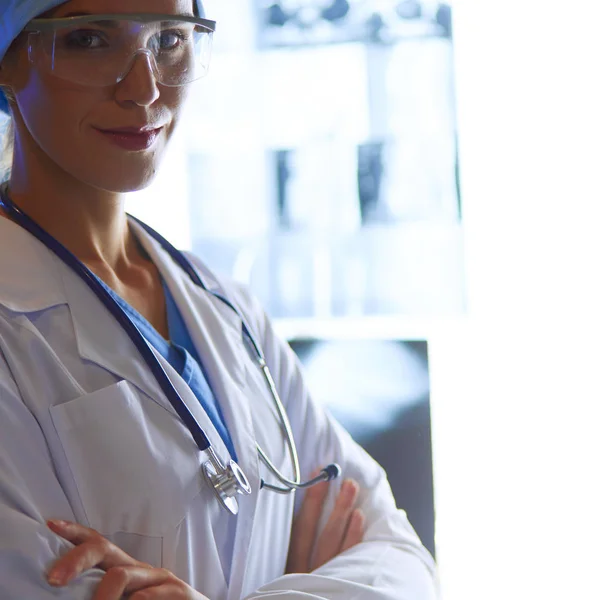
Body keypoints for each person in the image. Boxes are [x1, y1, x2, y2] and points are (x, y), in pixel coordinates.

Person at [0, 0, 438, 598]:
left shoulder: (225, 310)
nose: (144, 87)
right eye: (87, 39)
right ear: (7, 58)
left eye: (170, 40)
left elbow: (401, 561)